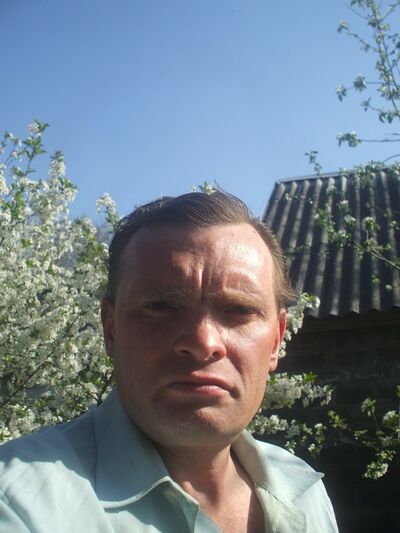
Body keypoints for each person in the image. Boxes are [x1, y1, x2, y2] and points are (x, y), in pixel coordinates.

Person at [0, 191, 338, 532]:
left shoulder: (305, 493)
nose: (203, 343)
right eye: (161, 307)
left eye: (239, 309)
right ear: (110, 329)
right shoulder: (17, 504)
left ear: (277, 340)